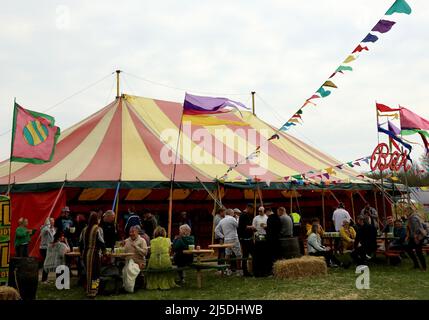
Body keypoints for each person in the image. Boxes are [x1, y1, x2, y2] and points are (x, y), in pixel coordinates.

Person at [80, 212, 106, 298]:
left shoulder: (84, 229)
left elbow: (80, 243)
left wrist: (81, 253)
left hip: (85, 254)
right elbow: (101, 242)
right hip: (94, 254)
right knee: (95, 273)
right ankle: (94, 290)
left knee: (88, 273)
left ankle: (88, 290)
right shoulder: (98, 229)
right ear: (96, 219)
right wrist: (105, 252)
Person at [215, 209, 243, 276]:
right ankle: (238, 270)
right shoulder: (232, 219)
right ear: (231, 213)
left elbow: (216, 230)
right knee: (238, 254)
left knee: (227, 254)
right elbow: (237, 226)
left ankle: (228, 270)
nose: (234, 214)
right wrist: (237, 218)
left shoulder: (222, 220)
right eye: (233, 213)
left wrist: (222, 236)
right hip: (234, 238)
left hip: (226, 239)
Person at [123, 225, 148, 292]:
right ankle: (127, 287)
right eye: (130, 232)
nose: (131, 234)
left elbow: (145, 253)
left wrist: (136, 247)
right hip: (128, 262)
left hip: (139, 262)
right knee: (126, 269)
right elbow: (123, 253)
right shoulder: (126, 241)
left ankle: (130, 288)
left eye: (133, 232)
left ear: (137, 232)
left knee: (129, 269)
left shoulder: (142, 241)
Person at [238, 204, 255, 276]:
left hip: (246, 238)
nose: (252, 211)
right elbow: (244, 226)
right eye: (252, 209)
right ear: (249, 208)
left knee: (246, 255)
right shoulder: (244, 215)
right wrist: (253, 227)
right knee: (248, 255)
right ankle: (247, 271)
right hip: (246, 239)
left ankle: (247, 271)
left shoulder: (244, 215)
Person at [40, 217, 56, 282]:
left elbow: (53, 238)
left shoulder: (53, 229)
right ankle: (44, 279)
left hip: (50, 248)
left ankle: (46, 278)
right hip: (44, 248)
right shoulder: (45, 228)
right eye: (51, 221)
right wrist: (46, 225)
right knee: (46, 263)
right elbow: (44, 231)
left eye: (53, 221)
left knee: (48, 263)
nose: (53, 222)